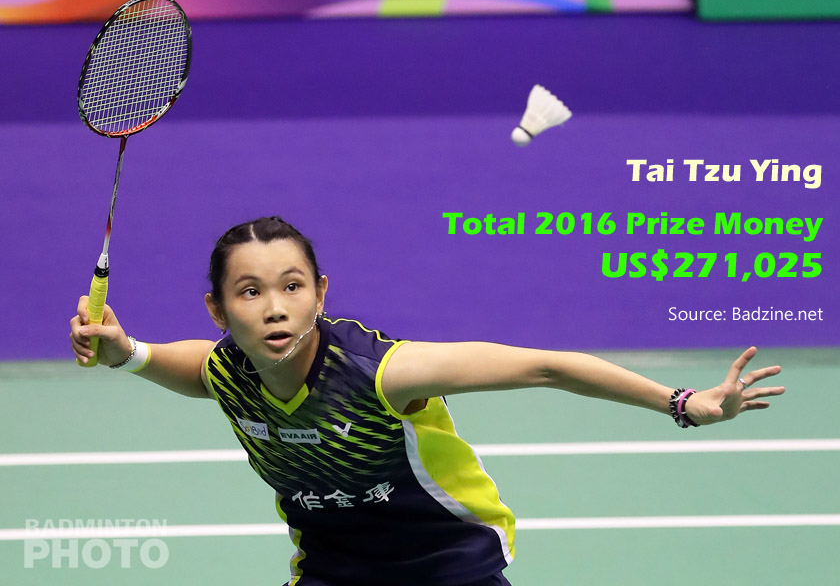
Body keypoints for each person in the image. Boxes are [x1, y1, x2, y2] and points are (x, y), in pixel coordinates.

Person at [69, 216, 784, 586]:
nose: (275, 307)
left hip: (447, 563)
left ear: (321, 293)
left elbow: (543, 367)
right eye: (250, 292)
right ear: (219, 310)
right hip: (334, 569)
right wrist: (126, 353)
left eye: (292, 286)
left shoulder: (384, 373)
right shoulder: (230, 370)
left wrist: (682, 402)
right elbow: (195, 370)